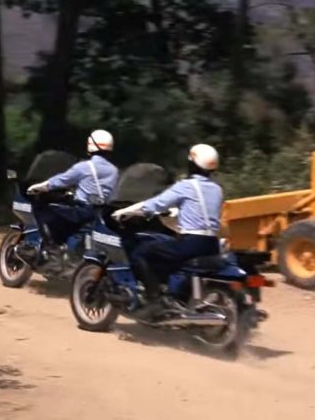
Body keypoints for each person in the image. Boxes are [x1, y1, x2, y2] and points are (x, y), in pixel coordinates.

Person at [112, 143, 223, 320]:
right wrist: (176, 211)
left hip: (191, 243)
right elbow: (199, 210)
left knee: (141, 252)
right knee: (166, 252)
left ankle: (154, 301)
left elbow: (155, 204)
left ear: (192, 164)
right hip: (211, 244)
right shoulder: (217, 189)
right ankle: (173, 296)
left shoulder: (186, 186)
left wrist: (126, 211)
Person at [27, 130, 119, 259]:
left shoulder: (84, 166)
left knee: (42, 208)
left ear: (91, 145)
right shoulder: (114, 170)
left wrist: (39, 187)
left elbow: (61, 180)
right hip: (101, 212)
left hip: (81, 211)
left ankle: (51, 246)